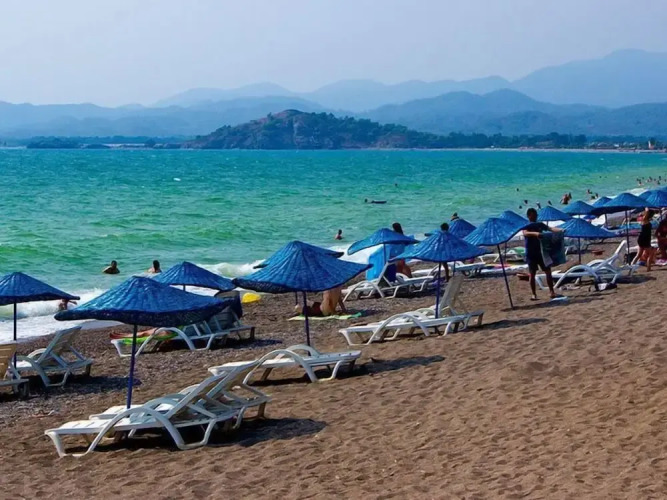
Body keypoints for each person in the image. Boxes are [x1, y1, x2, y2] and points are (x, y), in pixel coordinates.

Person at [522, 208, 562, 300]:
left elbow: (550, 229)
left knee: (548, 271)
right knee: (532, 274)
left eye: (536, 215)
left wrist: (560, 230)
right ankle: (534, 294)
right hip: (531, 253)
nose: (535, 217)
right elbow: (525, 233)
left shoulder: (539, 224)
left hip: (541, 251)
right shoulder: (526, 225)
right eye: (533, 215)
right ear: (529, 216)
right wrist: (536, 234)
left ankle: (551, 291)